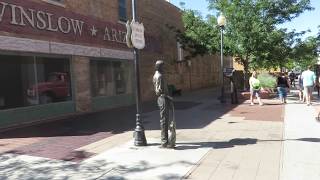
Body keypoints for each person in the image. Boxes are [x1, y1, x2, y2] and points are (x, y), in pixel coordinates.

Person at [153, 60, 176, 148]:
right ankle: (164, 141)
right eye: (163, 67)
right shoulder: (160, 76)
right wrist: (169, 97)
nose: (164, 68)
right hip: (163, 99)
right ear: (159, 67)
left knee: (164, 119)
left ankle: (165, 140)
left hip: (162, 99)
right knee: (164, 120)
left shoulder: (156, 75)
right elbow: (159, 91)